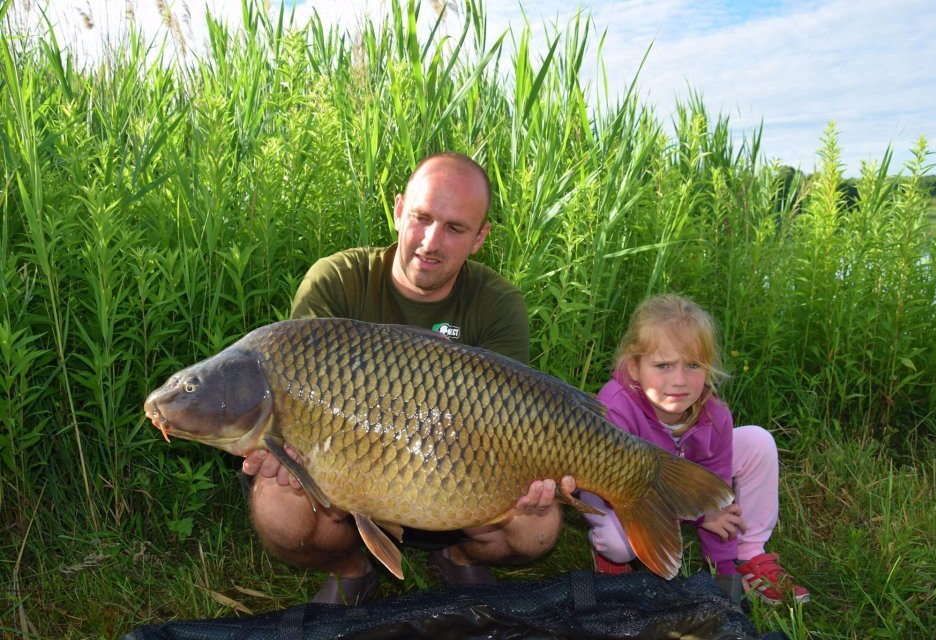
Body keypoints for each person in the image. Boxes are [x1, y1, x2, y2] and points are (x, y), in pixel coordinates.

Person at [241, 152, 575, 606]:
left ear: (480, 238)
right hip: (349, 484)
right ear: (398, 210)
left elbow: (509, 423)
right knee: (277, 506)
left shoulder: (497, 305)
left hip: (455, 489)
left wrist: (532, 482)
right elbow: (296, 395)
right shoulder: (337, 281)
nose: (431, 242)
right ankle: (352, 566)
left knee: (538, 527)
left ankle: (458, 556)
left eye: (455, 228)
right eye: (421, 218)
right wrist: (286, 453)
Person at [581, 294, 810, 607]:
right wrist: (698, 518)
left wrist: (724, 571)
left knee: (758, 441)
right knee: (620, 543)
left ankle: (750, 555)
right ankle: (609, 558)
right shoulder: (616, 407)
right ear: (634, 367)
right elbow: (624, 491)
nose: (679, 381)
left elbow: (715, 494)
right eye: (663, 365)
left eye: (692, 365)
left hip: (678, 480)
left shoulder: (714, 415)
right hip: (615, 490)